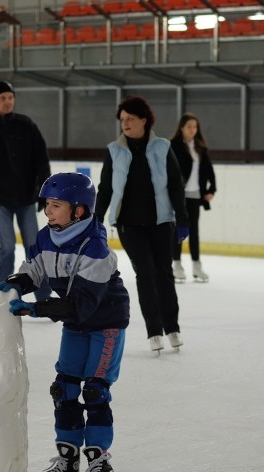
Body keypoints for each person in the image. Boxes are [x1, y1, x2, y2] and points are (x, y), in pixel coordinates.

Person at [0, 172, 129, 472]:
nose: (48, 212)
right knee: (64, 387)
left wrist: (35, 309)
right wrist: (13, 285)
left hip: (105, 322)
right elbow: (33, 270)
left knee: (94, 390)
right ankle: (67, 463)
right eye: (47, 205)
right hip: (75, 322)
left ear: (79, 210)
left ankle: (101, 464)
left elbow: (82, 304)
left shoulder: (94, 246)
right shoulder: (45, 237)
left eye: (56, 206)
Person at [95, 95, 190, 352]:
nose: (125, 123)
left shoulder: (162, 147)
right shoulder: (114, 151)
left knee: (164, 275)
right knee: (145, 275)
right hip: (129, 225)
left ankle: (172, 327)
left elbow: (174, 184)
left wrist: (182, 220)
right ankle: (154, 331)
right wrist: (96, 220)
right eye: (122, 119)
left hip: (161, 223)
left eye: (130, 119)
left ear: (144, 120)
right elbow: (104, 189)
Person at [0, 80, 52, 302]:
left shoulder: (27, 125)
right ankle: (1, 295)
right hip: (0, 200)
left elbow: (41, 160)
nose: (8, 101)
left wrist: (44, 191)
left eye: (10, 97)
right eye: (2, 98)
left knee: (33, 248)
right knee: (7, 248)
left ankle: (44, 295)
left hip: (26, 197)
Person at [169, 113, 216, 284]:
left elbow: (209, 170)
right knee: (179, 229)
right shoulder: (173, 146)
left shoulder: (200, 147)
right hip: (178, 195)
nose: (192, 130)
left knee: (194, 230)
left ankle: (196, 265)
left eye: (195, 127)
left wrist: (212, 189)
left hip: (196, 194)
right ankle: (177, 264)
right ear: (181, 127)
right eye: (189, 126)